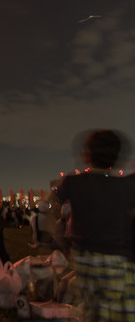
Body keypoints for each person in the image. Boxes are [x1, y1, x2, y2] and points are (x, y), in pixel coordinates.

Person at [54, 129, 135, 322]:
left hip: (84, 260)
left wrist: (57, 235)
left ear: (86, 155)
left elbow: (51, 204)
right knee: (118, 307)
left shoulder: (73, 182)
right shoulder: (126, 186)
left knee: (93, 307)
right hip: (117, 260)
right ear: (117, 159)